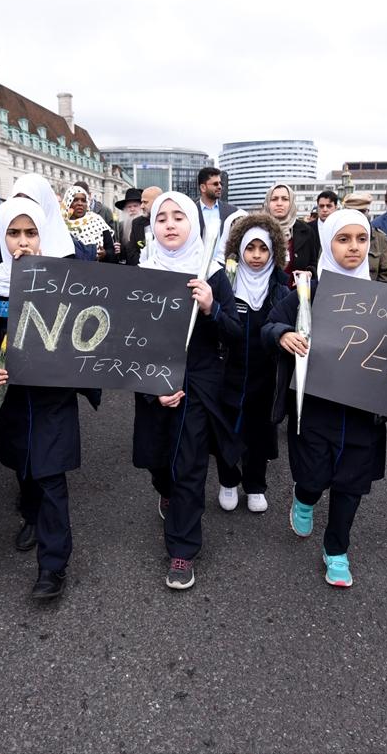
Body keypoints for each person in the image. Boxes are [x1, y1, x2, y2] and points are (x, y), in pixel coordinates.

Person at [263, 209, 387, 588]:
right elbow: (270, 324)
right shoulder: (309, 292)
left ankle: (337, 549)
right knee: (313, 477)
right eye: (343, 239)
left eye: (361, 239)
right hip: (316, 409)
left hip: (363, 414)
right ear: (327, 243)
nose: (354, 247)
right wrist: (283, 334)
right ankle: (304, 499)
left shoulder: (385, 298)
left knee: (350, 486)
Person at [133, 191, 241, 590]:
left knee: (190, 465)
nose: (170, 224)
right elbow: (126, 340)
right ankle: (165, 490)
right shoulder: (142, 272)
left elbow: (234, 333)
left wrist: (213, 308)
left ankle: (182, 549)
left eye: (179, 216)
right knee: (158, 460)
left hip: (197, 383)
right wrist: (152, 388)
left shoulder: (211, 272)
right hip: (153, 382)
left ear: (193, 223)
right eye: (162, 218)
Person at [0, 195, 88, 600]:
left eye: (31, 232)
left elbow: (86, 335)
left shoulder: (64, 282)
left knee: (50, 476)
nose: (22, 241)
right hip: (11, 401)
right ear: (1, 237)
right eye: (13, 233)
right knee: (24, 468)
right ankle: (31, 517)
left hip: (52, 399)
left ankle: (53, 565)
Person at [214, 213, 290, 514]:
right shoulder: (227, 285)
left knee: (259, 434)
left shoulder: (281, 290)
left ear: (274, 251)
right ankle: (228, 480)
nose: (256, 256)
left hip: (265, 377)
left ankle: (256, 485)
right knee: (228, 429)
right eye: (250, 248)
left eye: (263, 249)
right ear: (238, 249)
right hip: (229, 374)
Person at [341, 192, 387, 282]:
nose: (358, 216)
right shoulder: (334, 236)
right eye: (354, 212)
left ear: (368, 212)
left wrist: (374, 290)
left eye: (362, 212)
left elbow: (385, 274)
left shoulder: (380, 238)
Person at [61, 184, 117, 261]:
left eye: (83, 200)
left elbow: (111, 251)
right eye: (75, 200)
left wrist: (105, 254)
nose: (80, 203)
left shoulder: (97, 221)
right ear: (68, 203)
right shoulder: (61, 224)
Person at [195, 166, 238, 241]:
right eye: (215, 184)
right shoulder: (191, 212)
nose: (220, 187)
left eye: (220, 183)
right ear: (203, 187)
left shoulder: (232, 212)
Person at [128, 186, 164, 264]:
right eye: (141, 202)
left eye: (145, 202)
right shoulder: (136, 223)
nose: (141, 206)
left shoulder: (170, 224)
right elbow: (132, 253)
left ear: (158, 202)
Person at [115, 187, 145, 265]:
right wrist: (116, 250)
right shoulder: (120, 227)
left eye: (135, 206)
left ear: (141, 206)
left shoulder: (147, 226)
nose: (132, 209)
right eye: (129, 207)